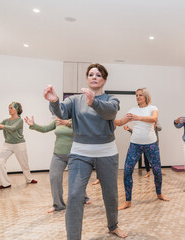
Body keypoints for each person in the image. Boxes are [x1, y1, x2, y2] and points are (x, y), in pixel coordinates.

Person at [43, 63, 127, 239]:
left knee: (110, 194)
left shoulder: (112, 100)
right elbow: (62, 112)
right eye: (91, 74)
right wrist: (54, 101)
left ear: (104, 79)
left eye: (98, 74)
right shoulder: (74, 100)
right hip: (80, 154)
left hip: (107, 153)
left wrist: (94, 102)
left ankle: (113, 225)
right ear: (87, 78)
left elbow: (110, 114)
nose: (94, 77)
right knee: (74, 195)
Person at [115, 88, 169, 210]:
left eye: (140, 95)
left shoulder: (152, 108)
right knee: (127, 171)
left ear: (146, 97)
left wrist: (138, 118)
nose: (138, 97)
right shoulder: (132, 110)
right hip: (135, 144)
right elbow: (119, 122)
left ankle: (159, 193)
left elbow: (154, 119)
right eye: (136, 95)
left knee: (157, 171)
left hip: (151, 144)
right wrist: (107, 118)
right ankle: (128, 201)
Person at [24, 116, 91, 213]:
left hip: (75, 155)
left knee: (77, 179)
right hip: (58, 154)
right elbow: (45, 128)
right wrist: (33, 125)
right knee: (54, 177)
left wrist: (67, 123)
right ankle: (58, 205)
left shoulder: (78, 119)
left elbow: (85, 129)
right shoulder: (57, 120)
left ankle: (84, 197)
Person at [0, 102, 37, 190]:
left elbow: (12, 128)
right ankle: (5, 184)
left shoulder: (20, 120)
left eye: (11, 108)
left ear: (17, 110)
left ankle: (29, 179)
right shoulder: (6, 121)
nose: (9, 110)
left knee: (24, 164)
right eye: (9, 108)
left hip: (19, 144)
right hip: (7, 144)